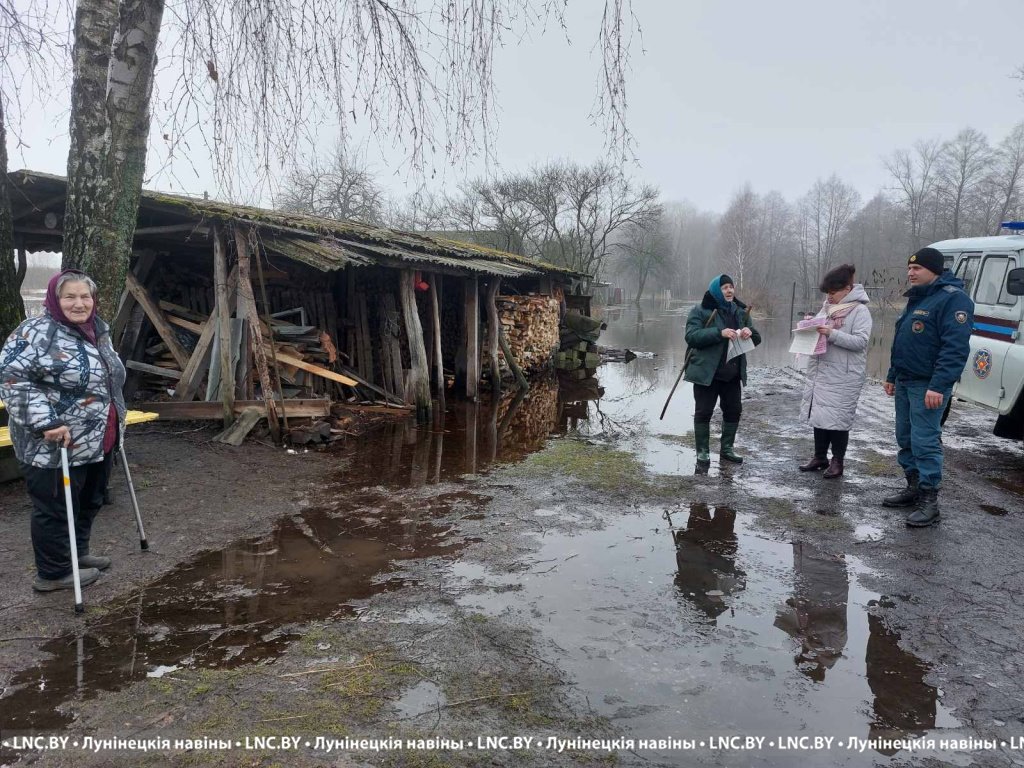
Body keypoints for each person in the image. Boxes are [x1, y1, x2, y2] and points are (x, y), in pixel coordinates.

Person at [0, 270, 126, 591]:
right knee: (55, 508)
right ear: (55, 300)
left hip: (98, 437)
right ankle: (53, 573)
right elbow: (13, 380)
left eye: (85, 296)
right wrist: (46, 422)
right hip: (54, 442)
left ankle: (77, 553)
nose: (79, 303)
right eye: (70, 296)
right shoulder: (34, 333)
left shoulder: (98, 329)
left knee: (89, 500)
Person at [882, 247, 973, 527]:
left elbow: (954, 349)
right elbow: (904, 340)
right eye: (909, 268)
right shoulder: (919, 296)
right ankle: (912, 488)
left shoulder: (954, 299)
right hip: (905, 379)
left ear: (933, 270)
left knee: (925, 441)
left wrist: (939, 385)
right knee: (905, 437)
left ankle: (929, 501)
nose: (910, 273)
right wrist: (892, 375)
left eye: (917, 268)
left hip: (928, 385)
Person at [797, 264, 873, 479]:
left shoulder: (860, 311)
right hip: (822, 371)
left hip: (844, 376)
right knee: (820, 415)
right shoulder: (827, 308)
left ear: (847, 289)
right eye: (827, 293)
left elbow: (861, 342)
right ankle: (819, 457)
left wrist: (832, 333)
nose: (829, 297)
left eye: (833, 292)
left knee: (838, 419)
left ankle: (837, 461)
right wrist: (809, 327)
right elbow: (819, 330)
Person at [684, 274, 762, 465]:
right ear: (716, 291)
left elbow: (757, 338)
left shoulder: (741, 312)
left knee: (733, 411)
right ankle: (703, 452)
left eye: (731, 287)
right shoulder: (701, 310)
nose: (729, 290)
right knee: (704, 412)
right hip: (707, 374)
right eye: (725, 287)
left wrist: (749, 332)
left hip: (732, 374)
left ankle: (727, 449)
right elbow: (691, 337)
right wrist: (719, 333)